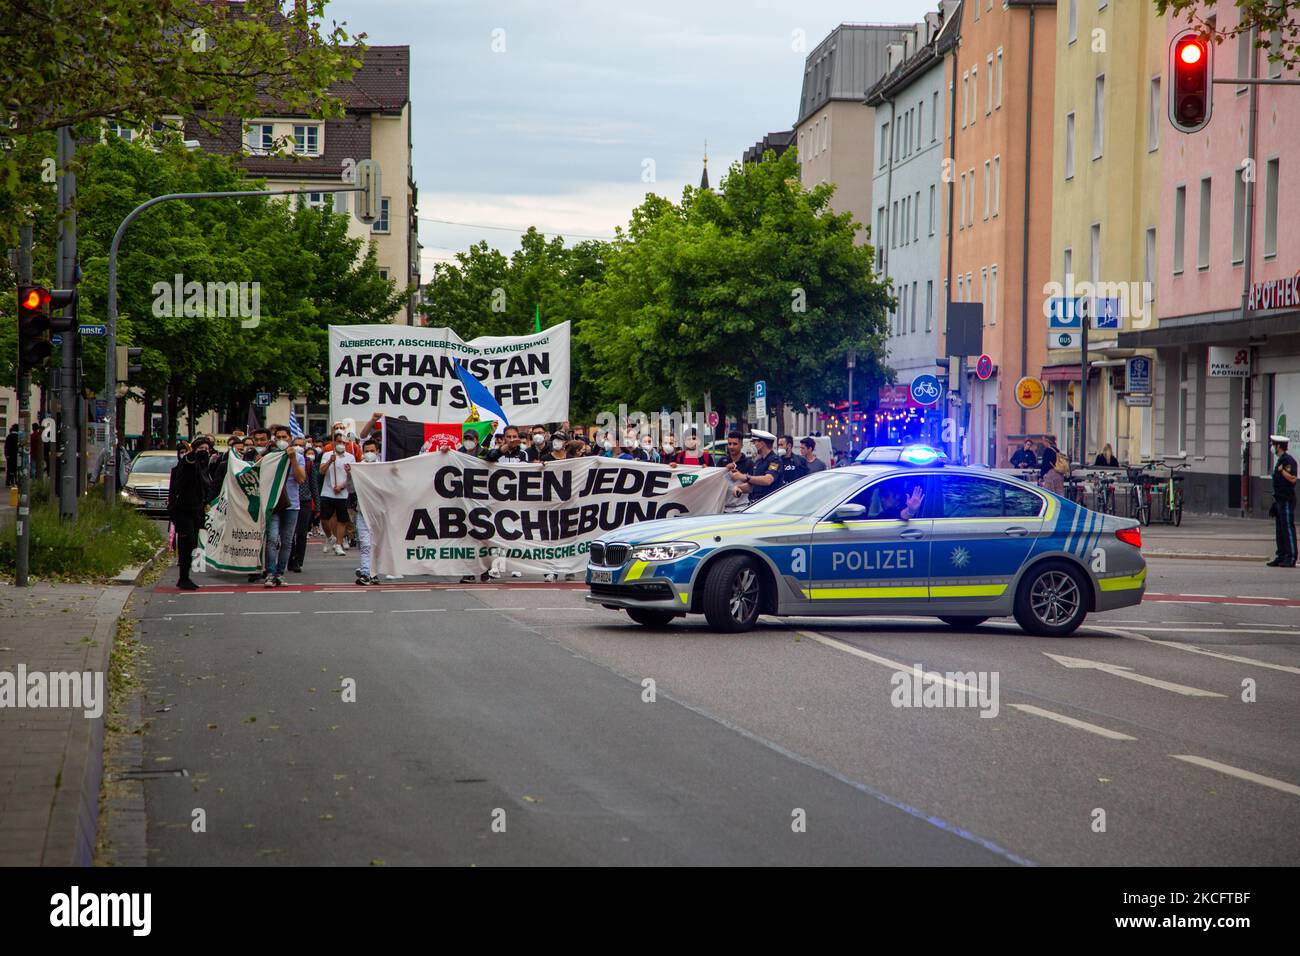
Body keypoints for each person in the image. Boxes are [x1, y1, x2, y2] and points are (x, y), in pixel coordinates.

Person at [260, 425, 308, 586]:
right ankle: (270, 572)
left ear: (290, 438)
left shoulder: (299, 457)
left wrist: (293, 458)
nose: (281, 440)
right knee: (272, 538)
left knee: (287, 541)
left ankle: (280, 573)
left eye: (284, 437)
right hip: (273, 503)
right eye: (278, 437)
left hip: (292, 504)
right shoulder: (270, 456)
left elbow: (301, 479)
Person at [168, 436, 214, 591]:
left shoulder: (204, 468)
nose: (204, 452)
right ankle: (183, 578)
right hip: (182, 509)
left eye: (207, 450)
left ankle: (185, 576)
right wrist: (192, 455)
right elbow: (188, 464)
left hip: (196, 510)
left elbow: (206, 487)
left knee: (192, 543)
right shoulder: (189, 462)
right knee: (187, 540)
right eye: (201, 449)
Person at [349, 438, 381, 585]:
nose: (369, 454)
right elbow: (349, 489)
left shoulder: (383, 467)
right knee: (365, 543)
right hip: (362, 512)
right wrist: (350, 474)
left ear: (378, 451)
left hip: (380, 513)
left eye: (372, 451)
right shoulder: (357, 468)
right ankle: (365, 573)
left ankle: (372, 572)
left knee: (377, 544)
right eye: (366, 451)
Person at [319, 431, 356, 555]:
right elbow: (322, 471)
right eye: (338, 442)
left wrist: (341, 486)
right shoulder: (327, 454)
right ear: (334, 443)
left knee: (342, 520)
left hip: (342, 493)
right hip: (327, 492)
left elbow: (352, 476)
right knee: (324, 519)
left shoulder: (350, 457)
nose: (341, 444)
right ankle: (330, 537)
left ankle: (339, 544)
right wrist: (330, 461)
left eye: (343, 442)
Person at [288, 437, 318, 573]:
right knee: (289, 533)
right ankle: (288, 558)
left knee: (301, 533)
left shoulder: (309, 463)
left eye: (301, 446)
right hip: (289, 501)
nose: (299, 448)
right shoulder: (286, 461)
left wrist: (317, 506)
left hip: (304, 501)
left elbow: (314, 485)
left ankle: (298, 560)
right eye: (296, 445)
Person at [1267, 435, 1297, 568]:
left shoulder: (1288, 461)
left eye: (1274, 445)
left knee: (1287, 529)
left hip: (1286, 500)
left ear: (1279, 446)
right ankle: (1281, 555)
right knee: (1280, 530)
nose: (1272, 447)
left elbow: (1293, 479)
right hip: (1279, 499)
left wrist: (1283, 472)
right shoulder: (1280, 460)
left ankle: (1291, 557)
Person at [746, 430, 782, 502]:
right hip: (754, 502)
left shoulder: (775, 461)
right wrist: (738, 488)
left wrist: (746, 477)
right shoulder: (758, 461)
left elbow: (768, 480)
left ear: (762, 444)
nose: (753, 445)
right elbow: (752, 485)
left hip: (768, 503)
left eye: (754, 442)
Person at [722, 431, 753, 511]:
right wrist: (725, 469)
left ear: (741, 445)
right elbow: (716, 482)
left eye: (735, 444)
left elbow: (752, 486)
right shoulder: (722, 461)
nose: (731, 447)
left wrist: (740, 481)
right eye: (729, 444)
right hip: (723, 509)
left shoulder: (749, 463)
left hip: (742, 508)